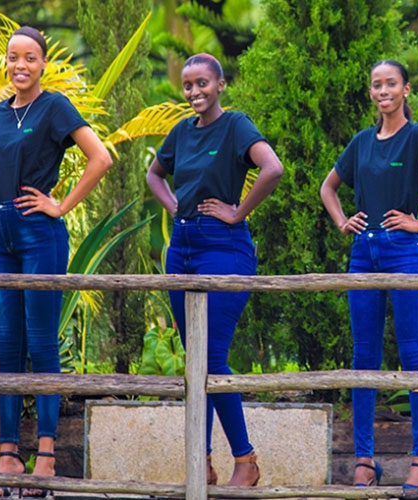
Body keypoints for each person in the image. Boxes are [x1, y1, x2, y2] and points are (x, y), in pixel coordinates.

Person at [0, 26, 113, 498]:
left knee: (42, 343)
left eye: (30, 58)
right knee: (8, 345)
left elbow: (100, 157)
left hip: (40, 233)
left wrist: (61, 206)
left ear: (43, 64)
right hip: (0, 236)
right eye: (13, 58)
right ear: (6, 63)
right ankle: (8, 455)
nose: (20, 65)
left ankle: (46, 456)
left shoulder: (54, 107)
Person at [320, 59, 418, 490]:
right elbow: (327, 187)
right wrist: (340, 220)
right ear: (371, 93)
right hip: (362, 254)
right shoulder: (362, 142)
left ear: (406, 89)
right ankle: (364, 461)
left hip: (405, 252)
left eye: (391, 83)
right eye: (376, 85)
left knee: (413, 354)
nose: (383, 90)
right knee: (363, 355)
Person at [146, 53, 283, 487]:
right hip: (182, 247)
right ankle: (201, 463)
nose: (194, 92)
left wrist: (238, 212)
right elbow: (155, 174)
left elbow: (273, 167)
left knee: (212, 357)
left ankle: (245, 460)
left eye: (202, 83)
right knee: (195, 362)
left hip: (223, 247)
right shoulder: (181, 132)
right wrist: (174, 206)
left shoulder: (236, 125)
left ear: (220, 85)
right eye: (188, 85)